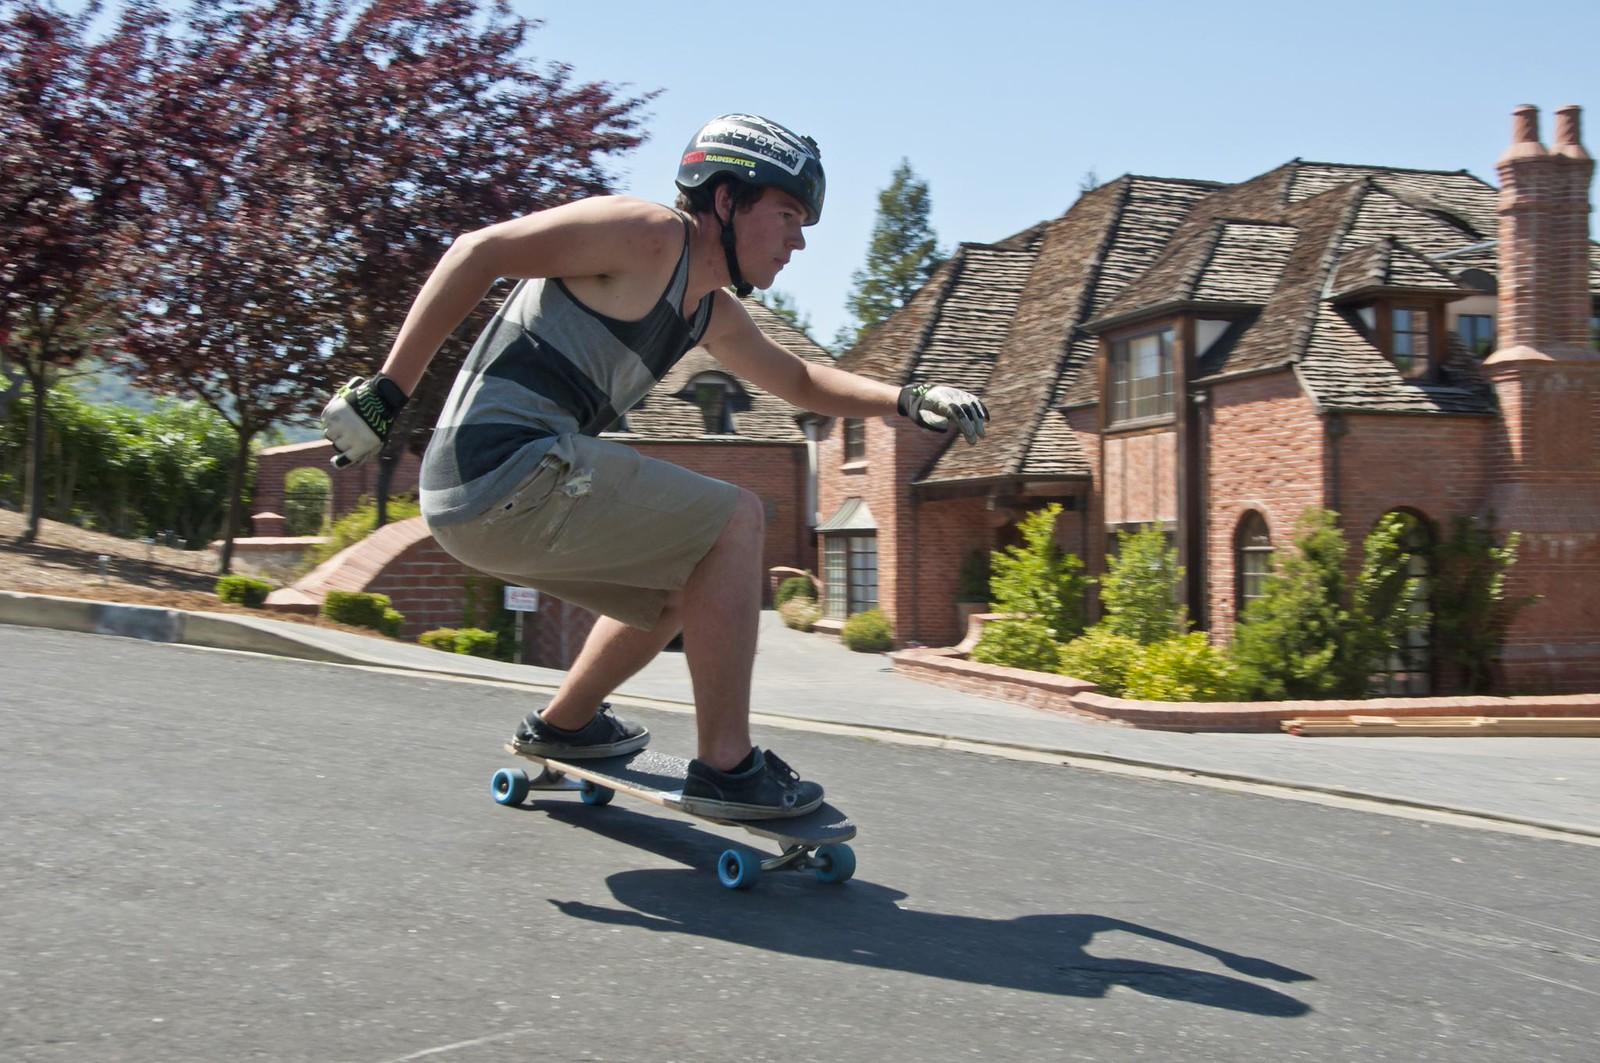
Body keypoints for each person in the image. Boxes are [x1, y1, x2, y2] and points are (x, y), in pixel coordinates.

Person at [320, 114, 988, 819]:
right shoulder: (647, 235)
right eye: (789, 215)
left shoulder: (706, 312)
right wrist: (388, 391)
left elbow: (798, 380)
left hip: (486, 501)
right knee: (736, 518)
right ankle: (727, 765)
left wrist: (907, 398)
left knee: (686, 582)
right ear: (726, 199)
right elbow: (478, 250)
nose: (800, 240)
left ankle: (566, 723)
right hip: (502, 468)